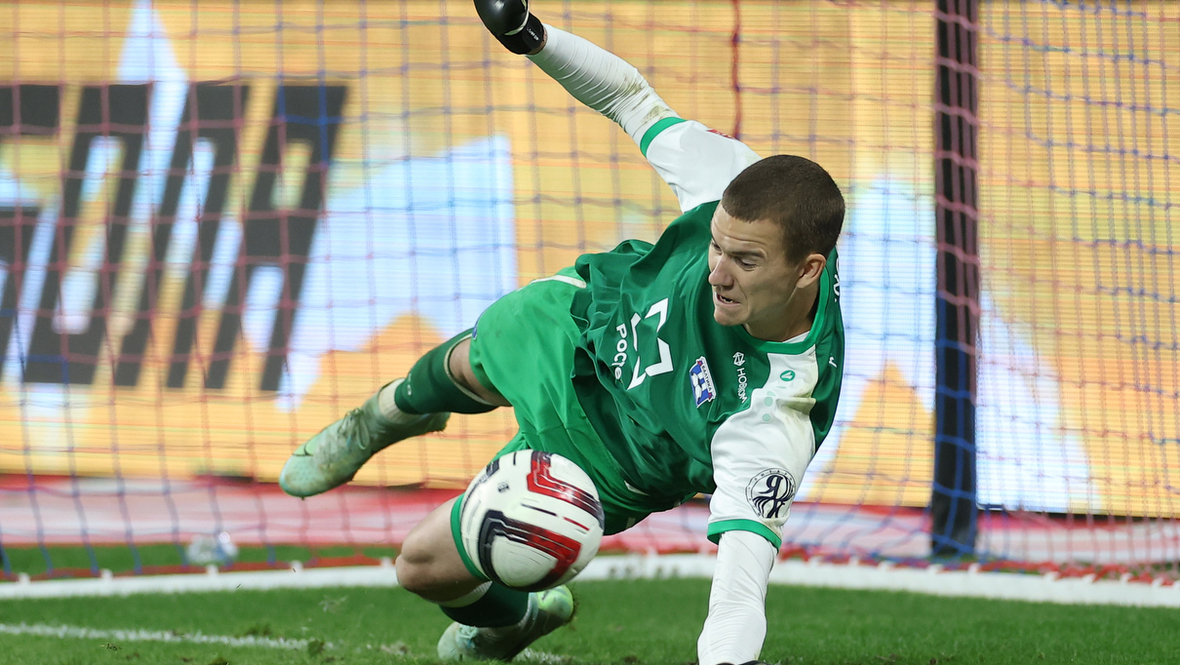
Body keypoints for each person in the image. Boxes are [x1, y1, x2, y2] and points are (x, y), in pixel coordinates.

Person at [279, 1, 845, 662]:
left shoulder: (773, 416)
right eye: (716, 245)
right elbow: (631, 99)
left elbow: (737, 599)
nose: (716, 271)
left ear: (808, 269)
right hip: (595, 324)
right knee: (469, 362)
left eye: (744, 261)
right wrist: (531, 36)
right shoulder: (730, 179)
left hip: (611, 452)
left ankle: (515, 621)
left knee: (420, 567)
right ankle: (383, 416)